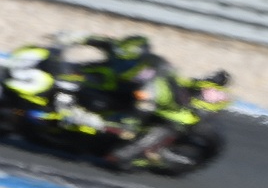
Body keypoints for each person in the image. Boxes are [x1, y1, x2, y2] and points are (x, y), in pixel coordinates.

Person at [5, 32, 225, 169]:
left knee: (119, 159)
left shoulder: (146, 94)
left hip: (153, 117)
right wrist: (77, 38)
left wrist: (95, 121)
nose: (119, 61)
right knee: (81, 75)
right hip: (133, 92)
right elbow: (106, 44)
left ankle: (148, 157)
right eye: (121, 58)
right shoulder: (137, 59)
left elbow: (129, 124)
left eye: (124, 62)